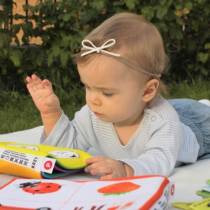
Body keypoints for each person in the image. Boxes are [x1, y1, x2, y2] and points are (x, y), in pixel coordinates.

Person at [26, 12, 210, 180]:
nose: (92, 99)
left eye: (107, 93)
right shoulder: (93, 115)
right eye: (88, 87)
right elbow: (66, 150)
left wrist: (125, 169)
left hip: (197, 125)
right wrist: (51, 114)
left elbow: (159, 160)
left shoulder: (163, 122)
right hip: (144, 108)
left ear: (147, 91)